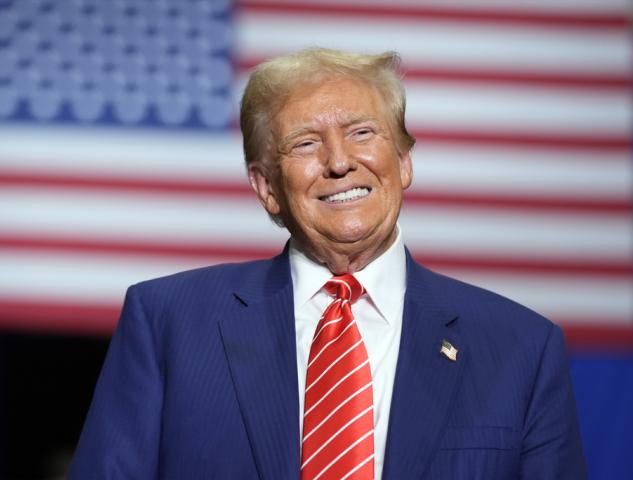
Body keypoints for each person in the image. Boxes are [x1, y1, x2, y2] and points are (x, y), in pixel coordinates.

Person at [69, 49, 586, 479]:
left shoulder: (522, 348)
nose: (340, 162)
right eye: (306, 143)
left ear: (404, 162)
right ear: (267, 188)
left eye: (362, 133)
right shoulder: (168, 323)